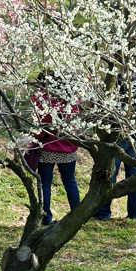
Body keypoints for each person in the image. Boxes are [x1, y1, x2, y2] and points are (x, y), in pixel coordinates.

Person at [95, 72, 136, 221]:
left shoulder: (115, 81)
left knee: (110, 171)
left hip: (118, 131)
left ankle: (103, 212)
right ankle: (134, 214)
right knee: (135, 174)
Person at [32, 71, 80, 226]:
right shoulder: (72, 101)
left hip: (47, 147)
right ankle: (77, 214)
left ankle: (46, 217)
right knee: (70, 182)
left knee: (45, 183)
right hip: (68, 148)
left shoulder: (42, 100)